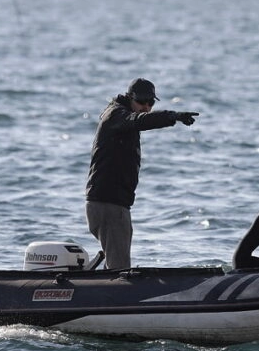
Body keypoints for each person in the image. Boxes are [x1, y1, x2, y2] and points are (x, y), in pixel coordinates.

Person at [85, 78, 199, 269]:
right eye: (142, 102)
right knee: (119, 270)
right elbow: (138, 120)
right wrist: (173, 116)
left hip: (114, 205)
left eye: (151, 103)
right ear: (130, 97)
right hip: (108, 205)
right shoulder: (116, 116)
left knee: (115, 264)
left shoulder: (122, 119)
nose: (146, 107)